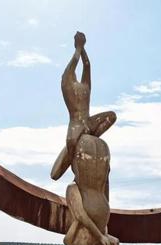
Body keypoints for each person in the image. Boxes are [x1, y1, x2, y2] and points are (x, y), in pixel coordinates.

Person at [50, 32, 116, 181]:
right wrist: (78, 48)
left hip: (89, 124)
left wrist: (83, 48)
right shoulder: (66, 84)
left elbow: (87, 65)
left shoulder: (85, 86)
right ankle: (76, 170)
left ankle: (91, 139)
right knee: (73, 144)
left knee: (111, 116)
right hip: (76, 125)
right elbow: (73, 64)